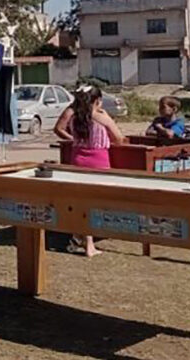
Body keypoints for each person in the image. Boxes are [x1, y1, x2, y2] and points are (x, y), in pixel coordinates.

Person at [54, 85, 125, 257]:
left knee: (81, 201)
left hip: (77, 159)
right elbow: (119, 139)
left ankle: (84, 239)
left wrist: (73, 139)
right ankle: (88, 243)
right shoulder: (101, 117)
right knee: (95, 202)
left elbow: (58, 128)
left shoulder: (73, 115)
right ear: (98, 101)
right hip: (99, 161)